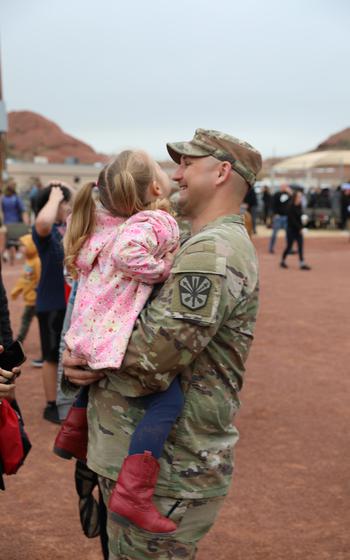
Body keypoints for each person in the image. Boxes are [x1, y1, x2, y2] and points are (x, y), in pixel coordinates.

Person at [62, 128, 261, 559]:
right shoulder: (192, 243)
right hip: (143, 457)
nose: (176, 174)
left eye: (188, 164)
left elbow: (153, 359)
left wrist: (85, 354)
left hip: (171, 468)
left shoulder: (213, 252)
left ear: (223, 172)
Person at [54, 151, 181, 534]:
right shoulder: (154, 224)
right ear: (155, 187)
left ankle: (72, 428)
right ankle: (134, 492)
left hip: (100, 414)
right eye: (166, 168)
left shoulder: (103, 227)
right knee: (168, 399)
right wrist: (164, 269)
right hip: (116, 431)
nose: (176, 172)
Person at [32, 182, 72, 423]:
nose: (65, 206)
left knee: (65, 353)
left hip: (69, 303)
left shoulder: (66, 228)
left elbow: (80, 207)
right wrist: (55, 196)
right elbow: (43, 222)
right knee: (51, 355)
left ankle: (64, 399)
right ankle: (51, 405)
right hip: (51, 303)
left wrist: (67, 191)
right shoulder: (45, 232)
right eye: (61, 202)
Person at [10, 234, 41, 348]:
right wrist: (16, 290)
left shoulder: (37, 262)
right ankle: (19, 340)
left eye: (24, 246)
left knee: (26, 320)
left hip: (35, 299)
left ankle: (19, 340)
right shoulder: (29, 261)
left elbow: (40, 279)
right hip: (30, 298)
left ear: (31, 246)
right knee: (28, 320)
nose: (21, 248)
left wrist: (38, 294)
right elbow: (24, 280)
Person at [280, 191, 311, 270]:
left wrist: (304, 223)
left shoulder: (299, 206)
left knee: (300, 247)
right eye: (299, 197)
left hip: (298, 230)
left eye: (301, 197)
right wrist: (300, 228)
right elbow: (292, 220)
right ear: (295, 197)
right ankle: (283, 261)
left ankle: (302, 263)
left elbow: (300, 218)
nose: (300, 198)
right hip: (291, 230)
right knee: (289, 247)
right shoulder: (290, 206)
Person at [1, 180, 27, 265]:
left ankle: (7, 256)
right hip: (14, 223)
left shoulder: (3, 198)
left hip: (7, 223)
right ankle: (12, 259)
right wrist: (26, 223)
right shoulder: (15, 198)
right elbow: (23, 210)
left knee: (8, 242)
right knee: (14, 242)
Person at [268, 183, 292, 253]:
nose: (284, 188)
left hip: (286, 217)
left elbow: (293, 203)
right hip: (278, 217)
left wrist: (290, 193)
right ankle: (271, 248)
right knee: (274, 234)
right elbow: (272, 205)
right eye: (283, 186)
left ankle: (289, 249)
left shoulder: (289, 195)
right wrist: (275, 214)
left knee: (288, 234)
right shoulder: (276, 194)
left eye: (285, 186)